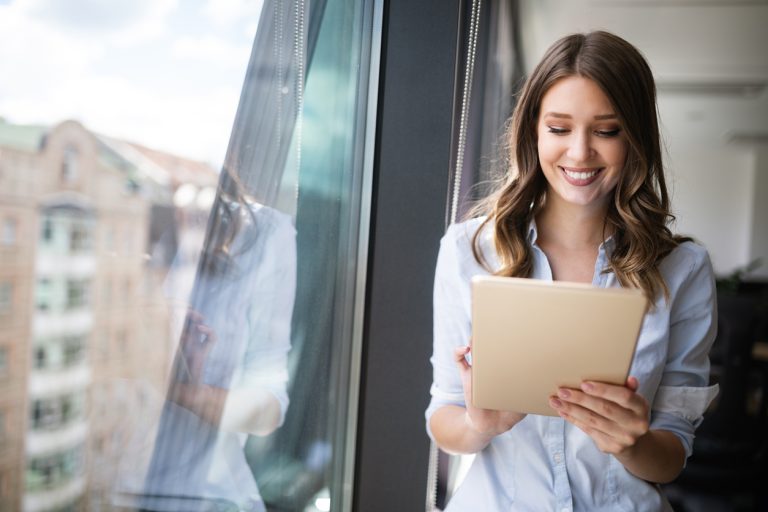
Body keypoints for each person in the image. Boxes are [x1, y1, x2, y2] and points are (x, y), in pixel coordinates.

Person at [426, 30, 719, 511]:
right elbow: (444, 416)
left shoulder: (682, 269)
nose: (580, 153)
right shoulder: (469, 250)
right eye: (559, 129)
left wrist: (631, 443)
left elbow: (671, 455)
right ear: (533, 132)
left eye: (606, 130)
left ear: (636, 136)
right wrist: (482, 424)